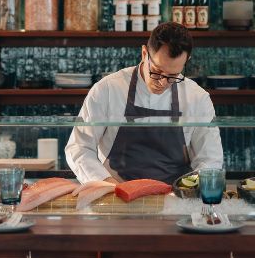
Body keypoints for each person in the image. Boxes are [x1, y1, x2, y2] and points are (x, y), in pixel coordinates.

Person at [65, 22, 223, 184]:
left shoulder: (197, 98)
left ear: (186, 61)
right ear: (144, 54)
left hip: (174, 200)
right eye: (157, 71)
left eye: (173, 75)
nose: (162, 82)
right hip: (116, 196)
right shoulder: (107, 90)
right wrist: (106, 184)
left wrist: (187, 188)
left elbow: (210, 159)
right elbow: (79, 148)